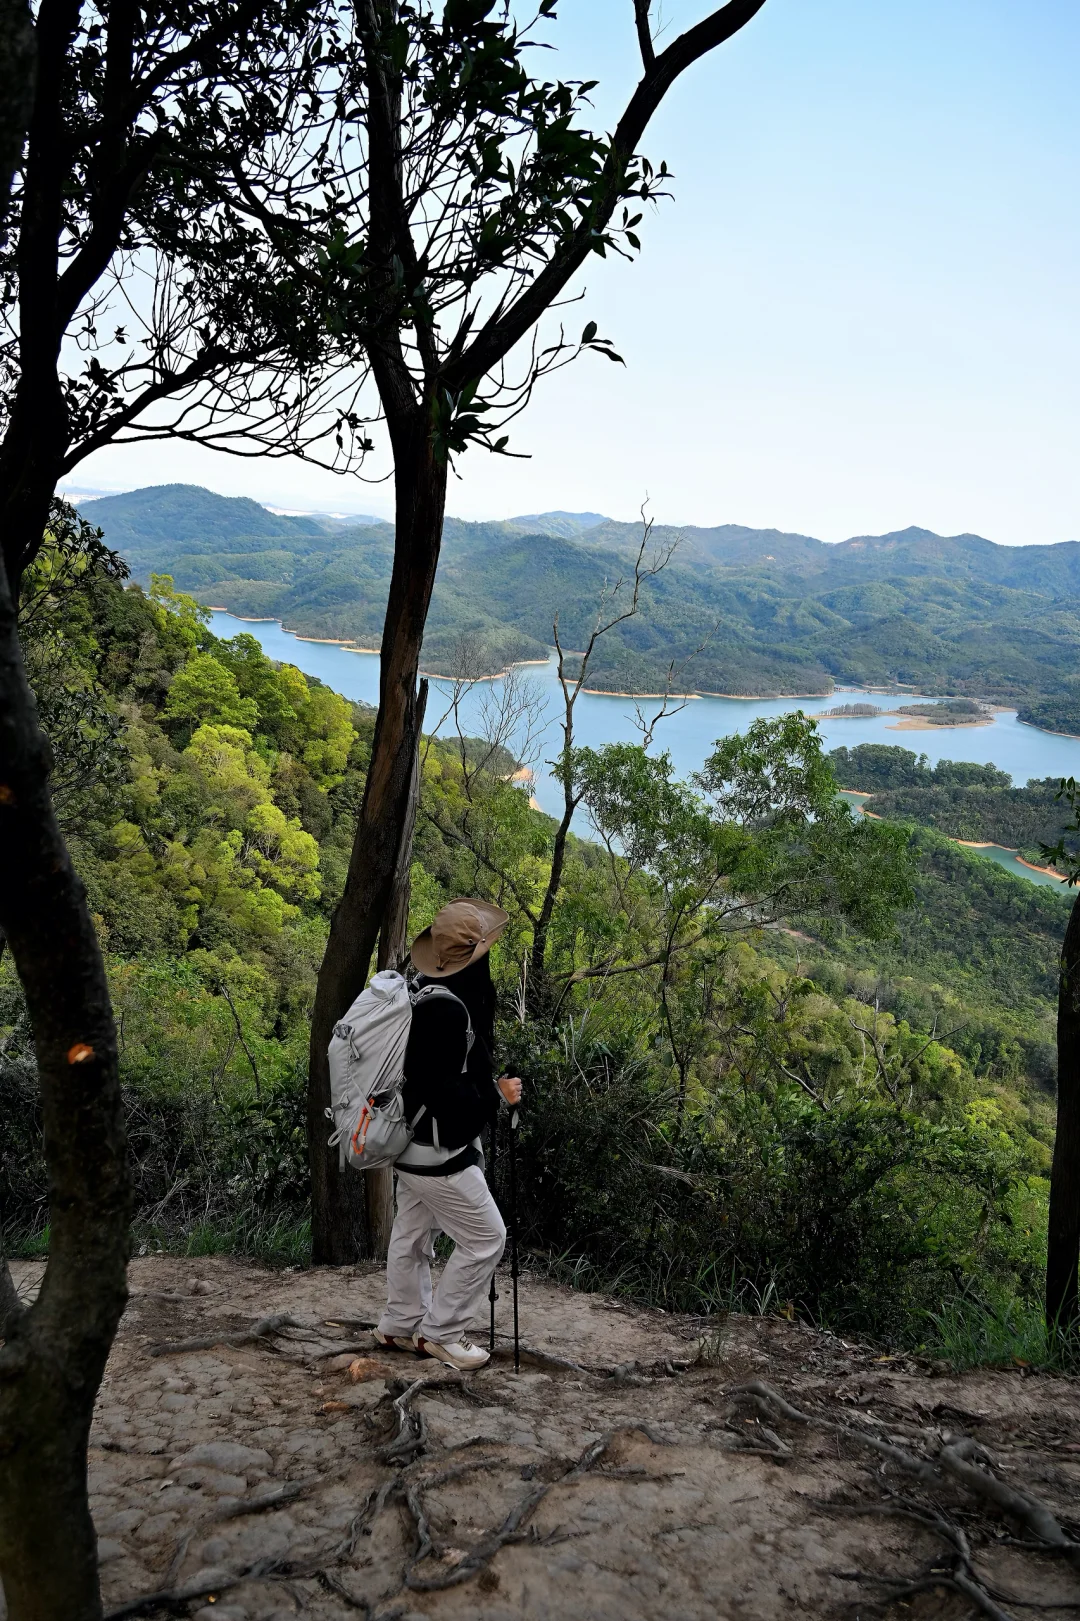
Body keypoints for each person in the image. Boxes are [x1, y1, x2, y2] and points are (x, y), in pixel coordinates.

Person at [374, 898, 523, 1371]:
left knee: (411, 1238)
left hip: (404, 1143)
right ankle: (441, 1333)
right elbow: (444, 1091)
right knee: (486, 1238)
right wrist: (494, 1095)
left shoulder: (419, 988)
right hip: (439, 1152)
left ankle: (399, 1325)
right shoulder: (452, 1011)